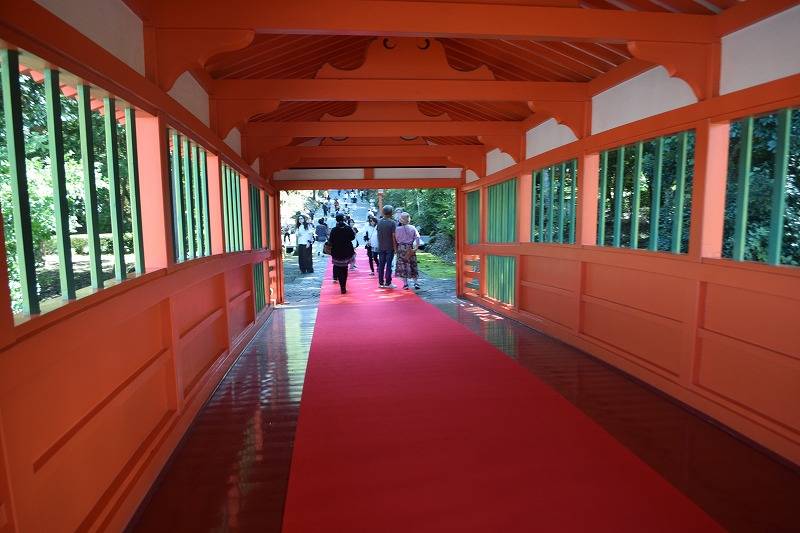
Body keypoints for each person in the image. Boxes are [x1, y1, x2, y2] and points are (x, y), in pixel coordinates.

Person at [329, 213, 356, 294]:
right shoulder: (348, 229)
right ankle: (343, 286)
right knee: (345, 269)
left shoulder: (334, 230)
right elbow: (352, 237)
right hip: (346, 251)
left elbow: (331, 240)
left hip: (337, 251)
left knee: (338, 268)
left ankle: (341, 285)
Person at [394, 212, 421, 290]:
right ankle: (415, 282)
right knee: (413, 264)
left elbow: (395, 239)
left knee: (402, 265)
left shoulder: (397, 229)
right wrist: (416, 247)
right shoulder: (413, 228)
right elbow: (418, 237)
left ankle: (405, 284)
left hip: (401, 248)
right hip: (410, 248)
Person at [376, 204, 397, 288]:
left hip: (381, 246)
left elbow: (378, 234)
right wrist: (395, 247)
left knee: (381, 264)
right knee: (388, 265)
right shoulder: (392, 222)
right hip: (389, 246)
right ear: (391, 212)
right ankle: (388, 282)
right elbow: (393, 236)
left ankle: (381, 282)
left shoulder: (379, 221)